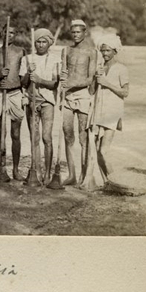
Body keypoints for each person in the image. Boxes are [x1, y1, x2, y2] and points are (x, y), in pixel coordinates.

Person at [20, 28, 60, 184]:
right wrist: (28, 75)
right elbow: (22, 83)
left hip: (47, 101)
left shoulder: (56, 59)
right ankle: (35, 171)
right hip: (31, 101)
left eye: (44, 42)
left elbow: (54, 84)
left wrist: (39, 79)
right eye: (38, 41)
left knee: (46, 137)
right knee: (34, 138)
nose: (41, 45)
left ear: (49, 43)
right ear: (34, 43)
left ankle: (48, 173)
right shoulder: (28, 59)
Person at [0, 24, 27, 181]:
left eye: (12, 32)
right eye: (6, 32)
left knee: (15, 134)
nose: (9, 35)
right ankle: (1, 166)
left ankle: (16, 170)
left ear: (15, 34)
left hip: (16, 94)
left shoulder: (21, 52)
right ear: (1, 32)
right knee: (0, 133)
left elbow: (24, 78)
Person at [60, 19, 97, 185]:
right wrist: (62, 80)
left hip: (82, 96)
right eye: (73, 32)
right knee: (68, 135)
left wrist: (73, 83)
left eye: (78, 32)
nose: (75, 35)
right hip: (67, 97)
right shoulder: (66, 50)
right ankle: (71, 175)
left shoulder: (91, 52)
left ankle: (84, 176)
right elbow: (63, 72)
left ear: (85, 33)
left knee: (83, 138)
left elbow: (90, 79)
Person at [90, 34, 129, 178]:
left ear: (115, 51)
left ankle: (114, 180)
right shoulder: (99, 68)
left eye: (108, 50)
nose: (105, 54)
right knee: (95, 149)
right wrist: (96, 79)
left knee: (103, 151)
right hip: (98, 111)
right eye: (103, 50)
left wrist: (107, 84)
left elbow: (125, 92)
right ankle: (107, 181)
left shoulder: (121, 69)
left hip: (112, 112)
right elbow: (92, 91)